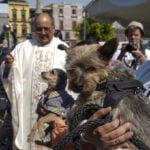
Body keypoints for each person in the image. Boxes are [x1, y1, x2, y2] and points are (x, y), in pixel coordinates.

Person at [0, 12, 133, 150]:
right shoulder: (22, 49)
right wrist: (8, 66)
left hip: (60, 112)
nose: (43, 32)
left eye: (47, 28)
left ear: (53, 28)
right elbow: (7, 76)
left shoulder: (66, 50)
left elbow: (79, 87)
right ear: (34, 29)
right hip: (29, 112)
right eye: (39, 29)